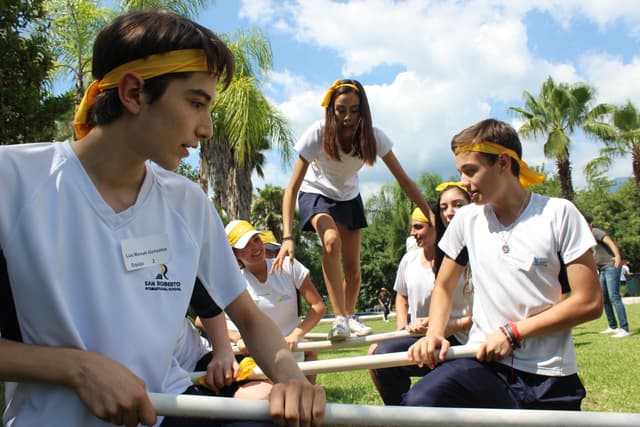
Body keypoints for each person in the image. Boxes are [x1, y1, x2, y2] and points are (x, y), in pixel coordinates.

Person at [0, 10, 325, 427]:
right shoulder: (14, 181)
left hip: (165, 413)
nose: (207, 128)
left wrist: (290, 377)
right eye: (196, 103)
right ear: (134, 93)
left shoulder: (188, 203)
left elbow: (246, 315)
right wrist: (76, 368)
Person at [403, 118, 602, 411]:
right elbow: (443, 286)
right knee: (421, 401)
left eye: (471, 171)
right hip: (482, 365)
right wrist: (434, 333)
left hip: (549, 376)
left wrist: (514, 333)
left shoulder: (559, 214)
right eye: (461, 172)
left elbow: (589, 302)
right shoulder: (467, 220)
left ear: (504, 163)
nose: (463, 182)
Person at [275, 79, 433, 341]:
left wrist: (431, 216)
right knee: (330, 241)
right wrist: (287, 237)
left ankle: (348, 316)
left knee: (354, 272)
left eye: (354, 109)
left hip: (349, 198)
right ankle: (338, 319)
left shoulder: (373, 136)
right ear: (331, 110)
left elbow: (404, 180)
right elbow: (291, 188)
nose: (347, 117)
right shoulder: (317, 133)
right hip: (316, 193)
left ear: (363, 110)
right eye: (341, 109)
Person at [368, 184, 473, 406]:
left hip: (467, 338)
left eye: (457, 205)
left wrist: (447, 326)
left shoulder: (479, 247)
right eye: (444, 207)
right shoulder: (434, 256)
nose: (449, 212)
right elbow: (407, 295)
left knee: (423, 397)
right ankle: (399, 413)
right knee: (380, 355)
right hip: (437, 332)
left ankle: (411, 410)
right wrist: (419, 326)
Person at [225, 220, 326, 385]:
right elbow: (204, 320)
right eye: (245, 245)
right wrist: (237, 339)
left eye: (256, 239)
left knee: (303, 403)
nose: (255, 247)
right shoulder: (234, 283)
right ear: (235, 254)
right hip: (260, 362)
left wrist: (296, 335)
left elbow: (318, 307)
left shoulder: (289, 266)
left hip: (295, 355)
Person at [584, 216, 631, 338]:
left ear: (590, 223)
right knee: (604, 298)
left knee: (614, 296)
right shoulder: (585, 237)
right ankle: (613, 326)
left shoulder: (596, 232)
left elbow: (610, 242)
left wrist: (618, 257)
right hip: (602, 269)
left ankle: (625, 328)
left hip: (611, 266)